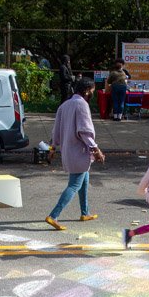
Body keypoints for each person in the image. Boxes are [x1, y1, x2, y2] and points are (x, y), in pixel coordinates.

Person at [45, 77, 105, 230]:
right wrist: (96, 150)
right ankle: (53, 215)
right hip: (79, 151)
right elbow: (85, 131)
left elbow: (56, 130)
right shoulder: (82, 105)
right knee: (74, 185)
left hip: (69, 152)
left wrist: (52, 148)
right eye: (92, 91)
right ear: (86, 91)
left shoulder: (64, 105)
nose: (92, 94)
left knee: (84, 180)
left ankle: (85, 213)